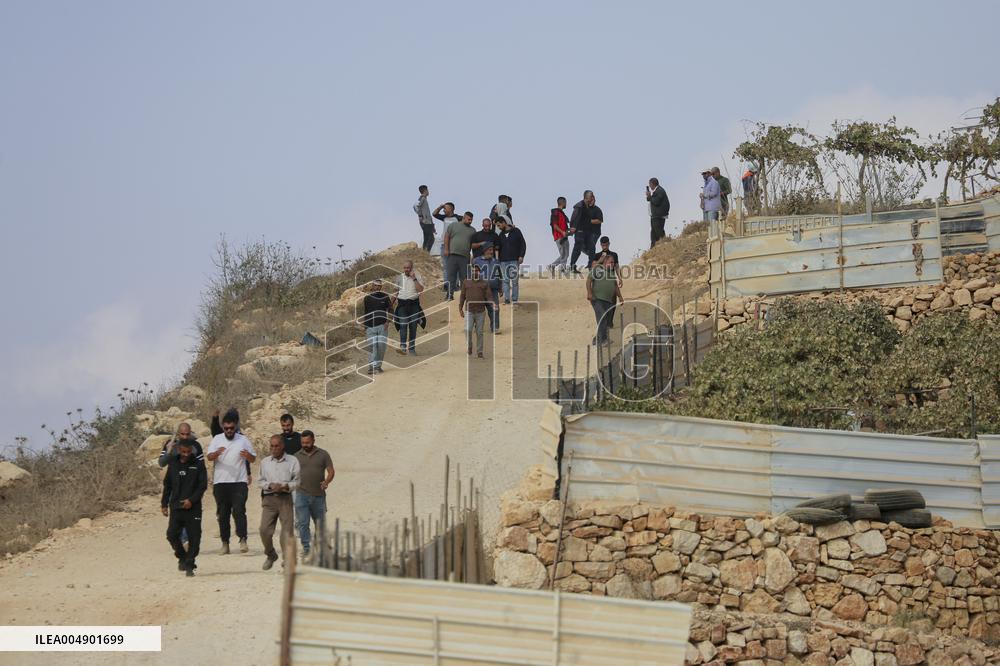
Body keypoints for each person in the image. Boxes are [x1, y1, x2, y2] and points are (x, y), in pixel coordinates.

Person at [206, 410, 257, 555]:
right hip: (220, 483)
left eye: (231, 428)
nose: (229, 431)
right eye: (226, 428)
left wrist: (248, 456)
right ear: (223, 427)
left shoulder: (243, 439)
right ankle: (225, 544)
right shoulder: (217, 439)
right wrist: (215, 454)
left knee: (239, 510)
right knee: (223, 514)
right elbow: (209, 456)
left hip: (239, 482)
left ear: (235, 427)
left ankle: (243, 540)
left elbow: (253, 458)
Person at [161, 439, 207, 576]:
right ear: (179, 450)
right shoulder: (173, 464)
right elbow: (167, 486)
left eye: (188, 452)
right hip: (176, 506)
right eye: (183, 452)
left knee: (194, 537)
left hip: (193, 507)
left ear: (192, 450)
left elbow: (202, 486)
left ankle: (190, 564)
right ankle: (182, 556)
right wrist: (164, 504)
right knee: (171, 535)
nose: (186, 454)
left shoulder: (198, 465)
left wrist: (191, 500)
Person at [257, 434, 300, 570]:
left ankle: (287, 560)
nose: (274, 449)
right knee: (264, 530)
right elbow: (260, 481)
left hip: (285, 499)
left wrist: (286, 486)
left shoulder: (292, 461)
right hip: (269, 499)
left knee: (286, 532)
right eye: (271, 446)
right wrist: (270, 485)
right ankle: (271, 554)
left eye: (276, 446)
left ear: (282, 446)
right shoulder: (265, 462)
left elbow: (297, 481)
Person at [293, 430, 335, 562]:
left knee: (320, 524)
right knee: (303, 524)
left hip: (318, 495)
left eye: (307, 442)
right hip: (301, 495)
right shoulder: (296, 456)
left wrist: (327, 481)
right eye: (303, 442)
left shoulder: (323, 454)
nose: (305, 445)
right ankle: (306, 549)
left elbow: (331, 471)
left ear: (313, 441)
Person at [587, 254, 623, 345]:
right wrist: (589, 293)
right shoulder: (598, 269)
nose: (612, 264)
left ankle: (597, 338)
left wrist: (620, 297)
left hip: (608, 300)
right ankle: (603, 340)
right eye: (610, 262)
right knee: (602, 316)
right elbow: (588, 280)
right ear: (605, 262)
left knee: (605, 320)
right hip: (597, 298)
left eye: (613, 263)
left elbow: (615, 286)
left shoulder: (611, 272)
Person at [459, 263, 492, 358]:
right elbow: (462, 296)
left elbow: (489, 295)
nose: (474, 272)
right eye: (473, 270)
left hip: (480, 311)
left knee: (479, 332)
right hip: (469, 311)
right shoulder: (466, 282)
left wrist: (492, 304)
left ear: (479, 272)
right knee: (467, 330)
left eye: (476, 270)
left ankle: (479, 351)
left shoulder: (484, 283)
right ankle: (469, 346)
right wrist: (460, 308)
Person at [442, 211, 476, 301]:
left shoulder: (472, 230)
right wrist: (446, 249)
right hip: (452, 254)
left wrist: (473, 256)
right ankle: (449, 295)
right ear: (464, 217)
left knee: (464, 277)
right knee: (451, 276)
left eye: (471, 220)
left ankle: (465, 296)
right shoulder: (454, 225)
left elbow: (473, 244)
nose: (470, 221)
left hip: (465, 257)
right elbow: (447, 237)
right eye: (469, 219)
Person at [362, 278, 393, 374]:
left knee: (381, 347)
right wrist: (365, 326)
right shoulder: (367, 298)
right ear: (372, 286)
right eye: (375, 285)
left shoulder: (385, 297)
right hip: (370, 327)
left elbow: (391, 310)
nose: (377, 287)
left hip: (382, 326)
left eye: (379, 286)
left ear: (381, 286)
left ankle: (378, 366)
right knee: (372, 347)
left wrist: (388, 321)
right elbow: (366, 313)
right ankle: (371, 367)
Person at [394, 259, 425, 355]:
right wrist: (390, 304)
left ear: (412, 268)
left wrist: (414, 278)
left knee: (413, 326)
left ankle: (412, 349)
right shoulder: (399, 277)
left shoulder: (418, 276)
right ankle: (403, 347)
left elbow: (420, 290)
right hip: (402, 304)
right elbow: (395, 292)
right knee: (403, 324)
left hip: (414, 305)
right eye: (405, 268)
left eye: (408, 267)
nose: (406, 269)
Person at [569, 191, 602, 273]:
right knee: (578, 248)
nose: (593, 199)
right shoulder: (579, 206)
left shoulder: (587, 206)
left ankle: (591, 265)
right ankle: (572, 266)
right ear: (588, 197)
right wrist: (573, 227)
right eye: (592, 197)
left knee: (591, 247)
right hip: (580, 231)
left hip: (587, 231)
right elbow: (573, 218)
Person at [473, 243, 502, 333]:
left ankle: (495, 328)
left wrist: (500, 288)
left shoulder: (496, 261)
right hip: (480, 289)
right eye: (489, 250)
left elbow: (499, 275)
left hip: (493, 290)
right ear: (485, 250)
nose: (491, 252)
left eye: (492, 250)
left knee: (495, 308)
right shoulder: (476, 261)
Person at [496, 217, 526, 305]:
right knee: (505, 280)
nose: (498, 227)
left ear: (504, 223)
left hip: (514, 260)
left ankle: (515, 299)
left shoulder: (516, 231)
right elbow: (498, 248)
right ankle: (506, 299)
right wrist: (498, 260)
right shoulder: (500, 235)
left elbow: (523, 244)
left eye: (499, 225)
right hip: (503, 261)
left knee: (514, 281)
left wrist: (521, 255)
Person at [433, 202, 461, 292]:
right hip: (444, 244)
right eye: (443, 209)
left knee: (455, 266)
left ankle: (455, 285)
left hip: (455, 245)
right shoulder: (444, 217)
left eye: (445, 208)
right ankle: (446, 285)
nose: (444, 210)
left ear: (451, 209)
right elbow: (434, 214)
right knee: (446, 266)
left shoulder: (458, 218)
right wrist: (440, 206)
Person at [548, 197, 570, 276]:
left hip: (564, 236)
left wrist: (569, 232)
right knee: (564, 254)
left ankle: (552, 266)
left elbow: (564, 226)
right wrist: (562, 232)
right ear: (562, 202)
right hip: (559, 236)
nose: (566, 204)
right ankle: (562, 269)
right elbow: (554, 225)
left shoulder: (561, 213)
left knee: (565, 254)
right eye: (565, 202)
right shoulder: (555, 212)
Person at [646, 178, 671, 248]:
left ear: (652, 184)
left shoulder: (660, 190)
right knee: (653, 232)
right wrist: (649, 196)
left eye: (650, 184)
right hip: (654, 215)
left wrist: (650, 197)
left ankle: (665, 244)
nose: (649, 186)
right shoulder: (655, 191)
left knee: (659, 231)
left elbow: (656, 202)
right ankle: (653, 247)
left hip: (659, 215)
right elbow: (649, 200)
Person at [414, 185, 434, 252]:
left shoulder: (424, 199)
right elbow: (418, 208)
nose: (428, 192)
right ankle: (425, 252)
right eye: (427, 190)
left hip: (428, 222)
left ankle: (426, 252)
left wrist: (432, 224)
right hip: (425, 222)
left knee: (429, 238)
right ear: (425, 191)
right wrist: (422, 218)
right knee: (429, 238)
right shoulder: (422, 199)